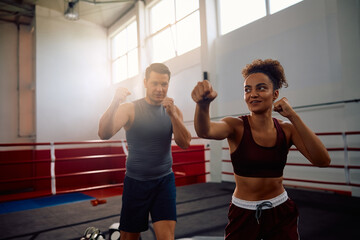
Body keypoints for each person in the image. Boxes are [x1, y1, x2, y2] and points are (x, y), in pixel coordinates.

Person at [191, 59, 331, 240]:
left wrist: (293, 116)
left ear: (275, 94)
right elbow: (205, 131)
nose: (253, 94)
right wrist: (203, 105)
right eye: (247, 90)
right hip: (243, 211)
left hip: (280, 210)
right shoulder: (235, 125)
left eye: (261, 88)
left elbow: (322, 160)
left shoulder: (286, 129)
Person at [98, 63, 191, 240]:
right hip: (136, 183)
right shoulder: (130, 109)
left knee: (166, 237)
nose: (159, 89)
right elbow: (103, 133)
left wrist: (172, 115)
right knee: (129, 237)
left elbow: (185, 142)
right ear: (145, 83)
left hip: (164, 182)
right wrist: (115, 102)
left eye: (164, 84)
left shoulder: (173, 109)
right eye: (155, 83)